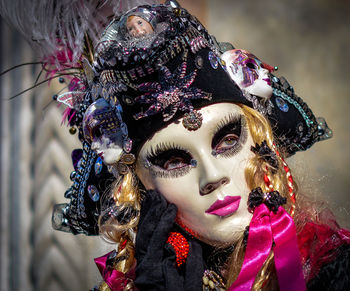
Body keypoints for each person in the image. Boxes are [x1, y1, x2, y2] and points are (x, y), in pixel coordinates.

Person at [4, 1, 343, 290]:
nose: (213, 177)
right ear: (137, 187)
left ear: (260, 141)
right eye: (173, 161)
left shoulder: (333, 270)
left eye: (227, 140)